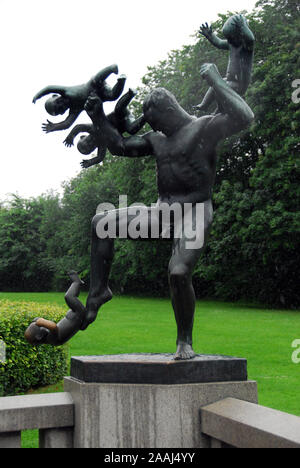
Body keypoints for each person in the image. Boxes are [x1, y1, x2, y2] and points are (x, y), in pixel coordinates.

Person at [81, 63, 254, 360]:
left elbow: (245, 117)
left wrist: (213, 77)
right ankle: (99, 291)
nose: (151, 126)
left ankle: (184, 341)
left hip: (195, 211)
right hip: (162, 214)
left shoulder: (204, 127)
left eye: (153, 119)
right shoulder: (157, 140)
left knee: (178, 272)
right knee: (101, 222)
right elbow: (121, 146)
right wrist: (97, 116)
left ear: (167, 110)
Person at [63, 88, 146, 169]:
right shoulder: (102, 144)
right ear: (93, 149)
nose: (90, 143)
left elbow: (78, 127)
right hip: (126, 123)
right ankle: (146, 115)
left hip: (118, 115)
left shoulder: (92, 128)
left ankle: (130, 94)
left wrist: (70, 137)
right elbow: (100, 157)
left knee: (118, 110)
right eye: (90, 147)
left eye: (87, 141)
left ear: (83, 136)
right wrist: (90, 162)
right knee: (132, 130)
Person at [32, 64, 126, 133]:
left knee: (97, 79)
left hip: (93, 85)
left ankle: (111, 69)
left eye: (57, 102)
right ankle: (121, 81)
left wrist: (37, 96)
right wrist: (54, 127)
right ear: (62, 113)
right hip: (100, 96)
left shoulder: (65, 91)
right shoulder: (74, 110)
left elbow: (49, 88)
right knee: (113, 95)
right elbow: (67, 124)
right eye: (59, 108)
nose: (61, 104)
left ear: (56, 96)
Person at [194, 15, 255, 112]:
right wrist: (210, 36)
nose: (229, 40)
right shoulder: (232, 44)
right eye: (228, 38)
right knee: (215, 85)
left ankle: (220, 110)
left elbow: (251, 39)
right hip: (230, 80)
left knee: (219, 87)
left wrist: (243, 25)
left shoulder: (246, 47)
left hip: (240, 84)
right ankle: (204, 105)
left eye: (231, 38)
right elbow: (218, 43)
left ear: (240, 34)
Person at [24, 272, 86, 346]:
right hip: (78, 313)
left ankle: (77, 285)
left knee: (70, 297)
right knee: (69, 297)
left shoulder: (49, 338)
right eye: (41, 327)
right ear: (39, 336)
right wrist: (40, 321)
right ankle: (77, 282)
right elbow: (53, 326)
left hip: (76, 315)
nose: (44, 326)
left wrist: (36, 321)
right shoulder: (52, 339)